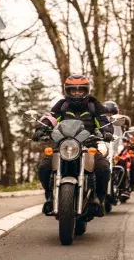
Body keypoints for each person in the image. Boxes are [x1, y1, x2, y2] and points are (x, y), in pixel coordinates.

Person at [32, 74, 114, 217]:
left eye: (80, 90)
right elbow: (51, 117)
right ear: (67, 91)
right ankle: (50, 197)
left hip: (88, 146)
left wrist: (106, 131)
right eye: (73, 90)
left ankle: (98, 199)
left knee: (103, 167)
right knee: (44, 167)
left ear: (86, 91)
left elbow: (102, 119)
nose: (76, 93)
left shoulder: (94, 105)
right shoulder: (62, 105)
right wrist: (41, 128)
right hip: (63, 145)